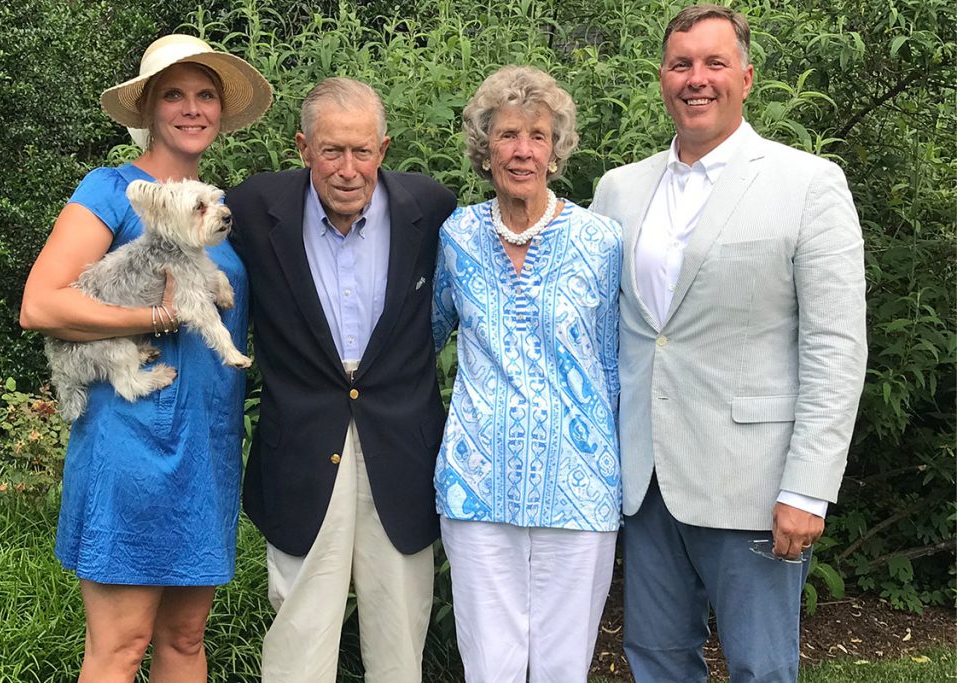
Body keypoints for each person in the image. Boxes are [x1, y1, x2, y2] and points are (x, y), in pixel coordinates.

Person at [590, 5, 868, 681]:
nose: (697, 79)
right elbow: (608, 332)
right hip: (645, 478)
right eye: (682, 64)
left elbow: (836, 346)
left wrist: (808, 488)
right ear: (662, 78)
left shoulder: (807, 183)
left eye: (714, 63)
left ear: (744, 77)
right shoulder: (619, 190)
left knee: (760, 666)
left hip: (754, 480)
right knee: (654, 657)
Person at [20, 34, 271, 682]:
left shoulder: (211, 206)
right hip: (130, 443)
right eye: (175, 94)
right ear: (149, 109)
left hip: (205, 447)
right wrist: (154, 317)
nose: (193, 108)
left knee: (185, 639)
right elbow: (42, 305)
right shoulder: (112, 189)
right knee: (122, 646)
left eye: (205, 94)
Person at [224, 77, 457, 683]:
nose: (347, 169)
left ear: (383, 148)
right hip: (301, 447)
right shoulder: (254, 207)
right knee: (299, 628)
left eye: (361, 151)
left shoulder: (429, 208)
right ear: (303, 147)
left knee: (401, 626)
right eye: (331, 150)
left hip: (401, 448)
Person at [431, 65, 622, 682]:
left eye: (537, 136)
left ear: (556, 149)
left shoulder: (601, 241)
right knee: (489, 665)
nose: (522, 151)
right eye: (507, 134)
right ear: (485, 148)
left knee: (564, 666)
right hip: (477, 482)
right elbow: (422, 340)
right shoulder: (456, 237)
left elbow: (617, 362)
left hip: (580, 481)